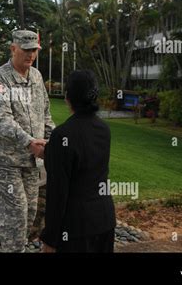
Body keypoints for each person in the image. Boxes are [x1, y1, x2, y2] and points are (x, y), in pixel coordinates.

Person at [0, 30, 55, 252]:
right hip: (2, 160)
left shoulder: (37, 77)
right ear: (13, 49)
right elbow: (2, 119)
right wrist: (30, 142)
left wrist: (57, 140)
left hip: (31, 161)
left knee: (30, 212)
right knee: (15, 212)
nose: (31, 55)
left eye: (34, 50)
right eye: (26, 50)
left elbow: (46, 115)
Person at [40, 70, 116, 252]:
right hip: (105, 221)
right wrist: (51, 152)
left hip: (76, 230)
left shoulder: (62, 135)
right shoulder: (103, 129)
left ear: (67, 97)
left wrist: (50, 239)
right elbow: (85, 160)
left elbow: (58, 193)